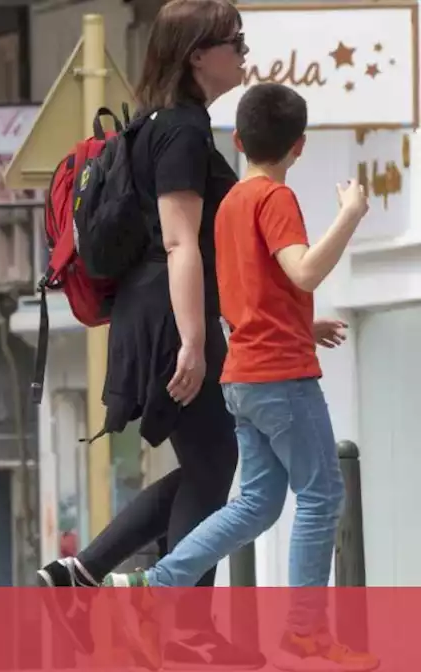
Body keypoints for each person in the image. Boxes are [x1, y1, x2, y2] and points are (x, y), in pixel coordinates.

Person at [102, 83, 379, 671]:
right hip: (281, 378)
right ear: (298, 146)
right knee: (323, 492)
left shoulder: (227, 205)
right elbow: (302, 271)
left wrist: (302, 327)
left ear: (238, 140)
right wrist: (350, 216)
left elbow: (246, 296)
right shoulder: (274, 199)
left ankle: (155, 585)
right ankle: (304, 632)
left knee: (255, 503)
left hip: (242, 374)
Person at [35, 0, 264, 667]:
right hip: (169, 316)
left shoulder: (156, 125)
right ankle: (179, 623)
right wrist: (194, 339)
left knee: (208, 466)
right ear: (198, 54)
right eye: (234, 41)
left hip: (153, 312)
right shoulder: (182, 133)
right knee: (216, 465)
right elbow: (178, 240)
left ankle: (81, 578)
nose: (243, 52)